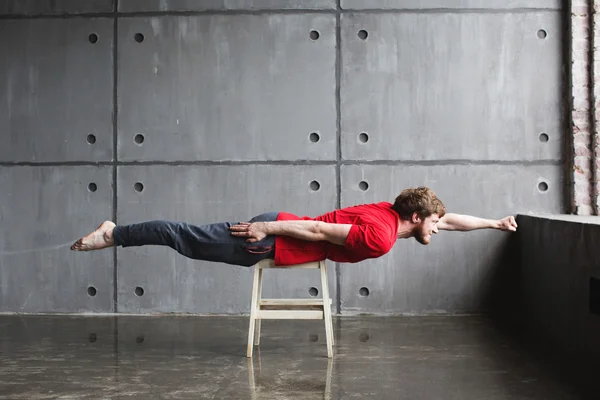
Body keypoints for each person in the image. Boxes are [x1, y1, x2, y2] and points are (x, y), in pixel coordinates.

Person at [70, 186, 517, 266]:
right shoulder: (381, 236)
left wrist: (494, 224)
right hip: (269, 242)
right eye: (434, 223)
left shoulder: (391, 212)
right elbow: (320, 233)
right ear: (416, 218)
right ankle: (116, 233)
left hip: (275, 236)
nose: (440, 228)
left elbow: (454, 220)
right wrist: (267, 232)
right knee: (183, 237)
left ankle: (117, 233)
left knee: (186, 241)